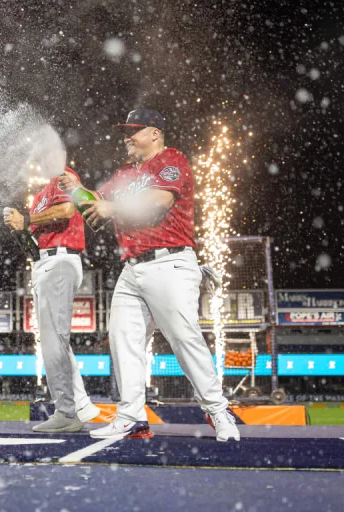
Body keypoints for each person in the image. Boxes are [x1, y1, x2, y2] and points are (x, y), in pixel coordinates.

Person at [59, 108, 240, 441]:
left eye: (135, 131)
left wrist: (110, 208)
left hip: (169, 262)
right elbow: (94, 204)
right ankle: (131, 416)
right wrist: (75, 189)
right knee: (122, 339)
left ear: (155, 133)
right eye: (126, 131)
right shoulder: (126, 172)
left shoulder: (172, 160)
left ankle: (218, 409)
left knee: (184, 339)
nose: (127, 137)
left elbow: (158, 202)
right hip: (133, 267)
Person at [3, 166, 101, 432]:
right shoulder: (39, 195)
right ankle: (80, 404)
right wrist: (22, 229)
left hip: (60, 259)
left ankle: (67, 412)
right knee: (56, 340)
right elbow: (37, 239)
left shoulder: (62, 176)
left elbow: (68, 210)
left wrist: (25, 220)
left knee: (53, 340)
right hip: (46, 260)